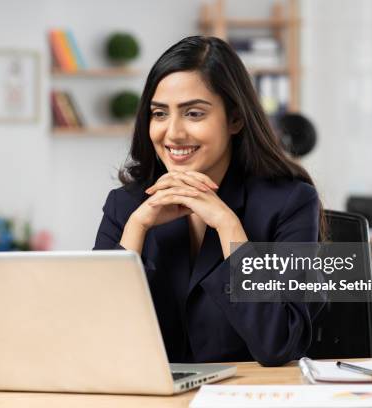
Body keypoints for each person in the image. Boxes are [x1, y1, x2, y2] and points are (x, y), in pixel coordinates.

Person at [94, 36, 326, 367]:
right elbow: (97, 340)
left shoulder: (289, 202)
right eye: (159, 114)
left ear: (235, 118)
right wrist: (136, 229)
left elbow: (278, 345)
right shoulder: (127, 206)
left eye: (193, 113)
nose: (172, 133)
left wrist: (229, 226)